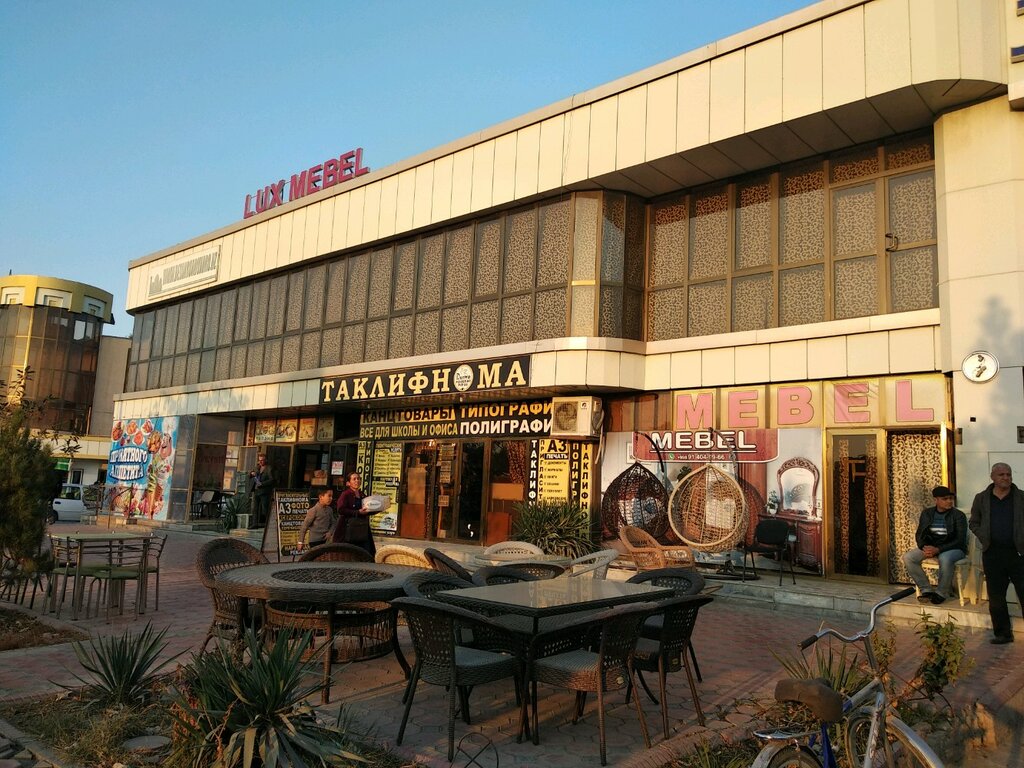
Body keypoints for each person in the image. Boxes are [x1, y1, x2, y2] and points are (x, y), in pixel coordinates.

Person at [969, 463, 1024, 644]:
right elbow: (974, 522)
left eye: (1008, 474)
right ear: (992, 477)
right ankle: (1003, 634)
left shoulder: (1021, 497)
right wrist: (984, 536)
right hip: (992, 554)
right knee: (996, 596)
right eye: (1001, 474)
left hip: (1018, 555)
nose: (1006, 477)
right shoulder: (982, 498)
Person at [901, 485, 967, 605]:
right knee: (909, 557)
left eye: (950, 498)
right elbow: (920, 534)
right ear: (936, 500)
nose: (949, 501)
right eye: (945, 499)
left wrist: (938, 549)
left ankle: (941, 593)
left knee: (945, 558)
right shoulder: (927, 513)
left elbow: (960, 540)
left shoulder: (958, 515)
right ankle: (926, 590)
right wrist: (924, 547)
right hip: (932, 546)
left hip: (954, 548)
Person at [331, 472, 376, 558]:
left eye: (358, 478)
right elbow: (340, 509)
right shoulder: (345, 494)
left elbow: (367, 509)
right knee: (349, 554)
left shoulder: (362, 494)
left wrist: (377, 508)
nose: (357, 481)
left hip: (362, 528)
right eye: (354, 479)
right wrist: (357, 512)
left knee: (366, 553)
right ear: (348, 483)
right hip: (348, 529)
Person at [249, 453, 274, 528]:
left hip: (264, 491)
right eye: (259, 460)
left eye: (262, 460)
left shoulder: (269, 468)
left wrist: (262, 484)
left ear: (266, 460)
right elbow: (250, 474)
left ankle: (268, 524)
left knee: (265, 509)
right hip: (256, 490)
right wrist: (251, 473)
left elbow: (272, 480)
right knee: (255, 508)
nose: (260, 462)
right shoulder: (257, 467)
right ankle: (254, 524)